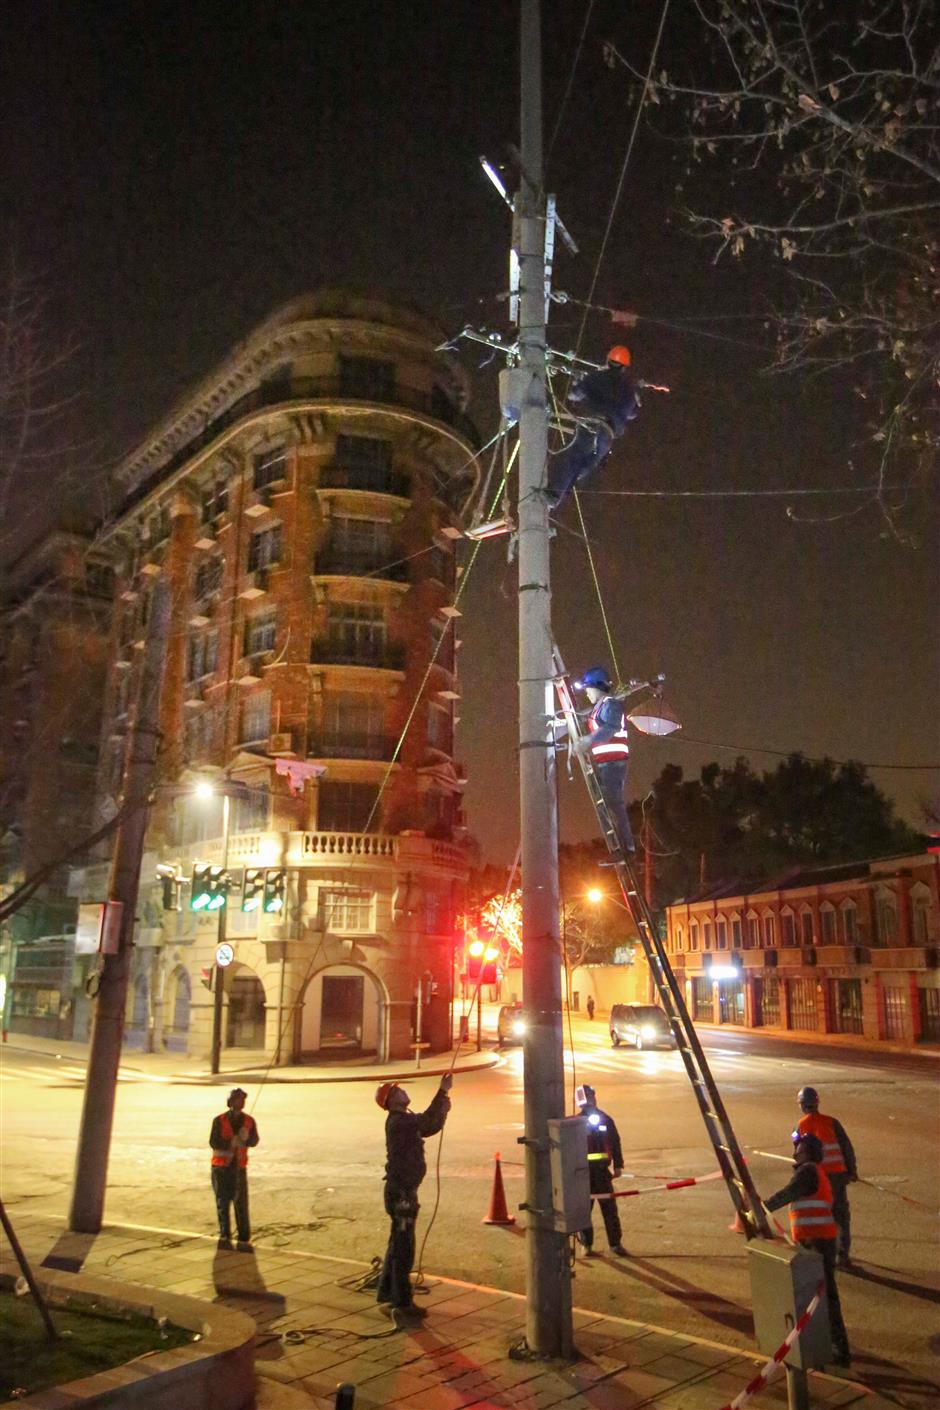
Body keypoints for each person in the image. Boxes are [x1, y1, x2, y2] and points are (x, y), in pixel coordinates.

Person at [764, 1132, 851, 1368]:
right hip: (819, 1241)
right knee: (821, 1296)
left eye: (798, 1148)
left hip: (817, 1243)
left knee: (821, 1297)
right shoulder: (816, 1171)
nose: (795, 1152)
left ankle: (837, 1350)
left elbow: (785, 1195)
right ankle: (831, 1348)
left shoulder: (807, 1172)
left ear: (804, 1151)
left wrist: (760, 1209)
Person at [376, 1074, 453, 1324]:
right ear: (392, 1101)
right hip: (402, 1195)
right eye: (397, 1091)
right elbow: (430, 1122)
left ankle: (387, 1292)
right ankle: (401, 1302)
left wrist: (443, 1098)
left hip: (400, 1192)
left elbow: (427, 1122)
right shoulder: (400, 1122)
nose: (403, 1092)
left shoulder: (401, 1120)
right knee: (403, 1247)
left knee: (397, 1242)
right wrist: (443, 1093)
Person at [547, 346, 639, 511]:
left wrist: (578, 382)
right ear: (625, 367)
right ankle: (558, 497)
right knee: (584, 467)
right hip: (607, 436)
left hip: (591, 426)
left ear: (608, 361)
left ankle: (553, 496)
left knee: (572, 459)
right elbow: (632, 413)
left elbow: (574, 394)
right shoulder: (629, 390)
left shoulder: (596, 377)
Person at [573, 665, 635, 854]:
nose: (587, 694)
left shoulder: (611, 705)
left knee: (614, 804)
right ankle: (618, 848)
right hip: (605, 764)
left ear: (597, 687)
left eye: (588, 689)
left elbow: (611, 727)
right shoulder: (598, 708)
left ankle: (627, 847)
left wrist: (588, 740)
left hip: (615, 764)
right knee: (606, 804)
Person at [796, 1086, 858, 1269]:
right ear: (816, 1103)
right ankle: (843, 1255)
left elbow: (798, 1153)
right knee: (841, 1216)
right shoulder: (832, 1122)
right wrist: (852, 1171)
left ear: (801, 1105)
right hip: (838, 1176)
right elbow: (846, 1147)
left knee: (820, 1215)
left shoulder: (800, 1126)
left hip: (817, 1178)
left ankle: (819, 1252)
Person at [577, 1084, 627, 1258]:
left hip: (602, 1173)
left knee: (610, 1210)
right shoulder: (576, 1123)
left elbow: (615, 1142)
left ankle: (615, 1243)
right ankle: (587, 1244)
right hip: (584, 1175)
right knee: (584, 1212)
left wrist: (618, 1165)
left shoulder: (605, 1119)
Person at [209, 1088, 259, 1252]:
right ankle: (225, 1235)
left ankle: (244, 1238)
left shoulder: (249, 1121)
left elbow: (254, 1140)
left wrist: (248, 1139)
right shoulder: (219, 1120)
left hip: (238, 1168)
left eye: (242, 1100)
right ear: (230, 1102)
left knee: (241, 1204)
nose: (240, 1103)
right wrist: (231, 1142)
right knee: (223, 1203)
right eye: (237, 1100)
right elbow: (213, 1142)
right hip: (221, 1168)